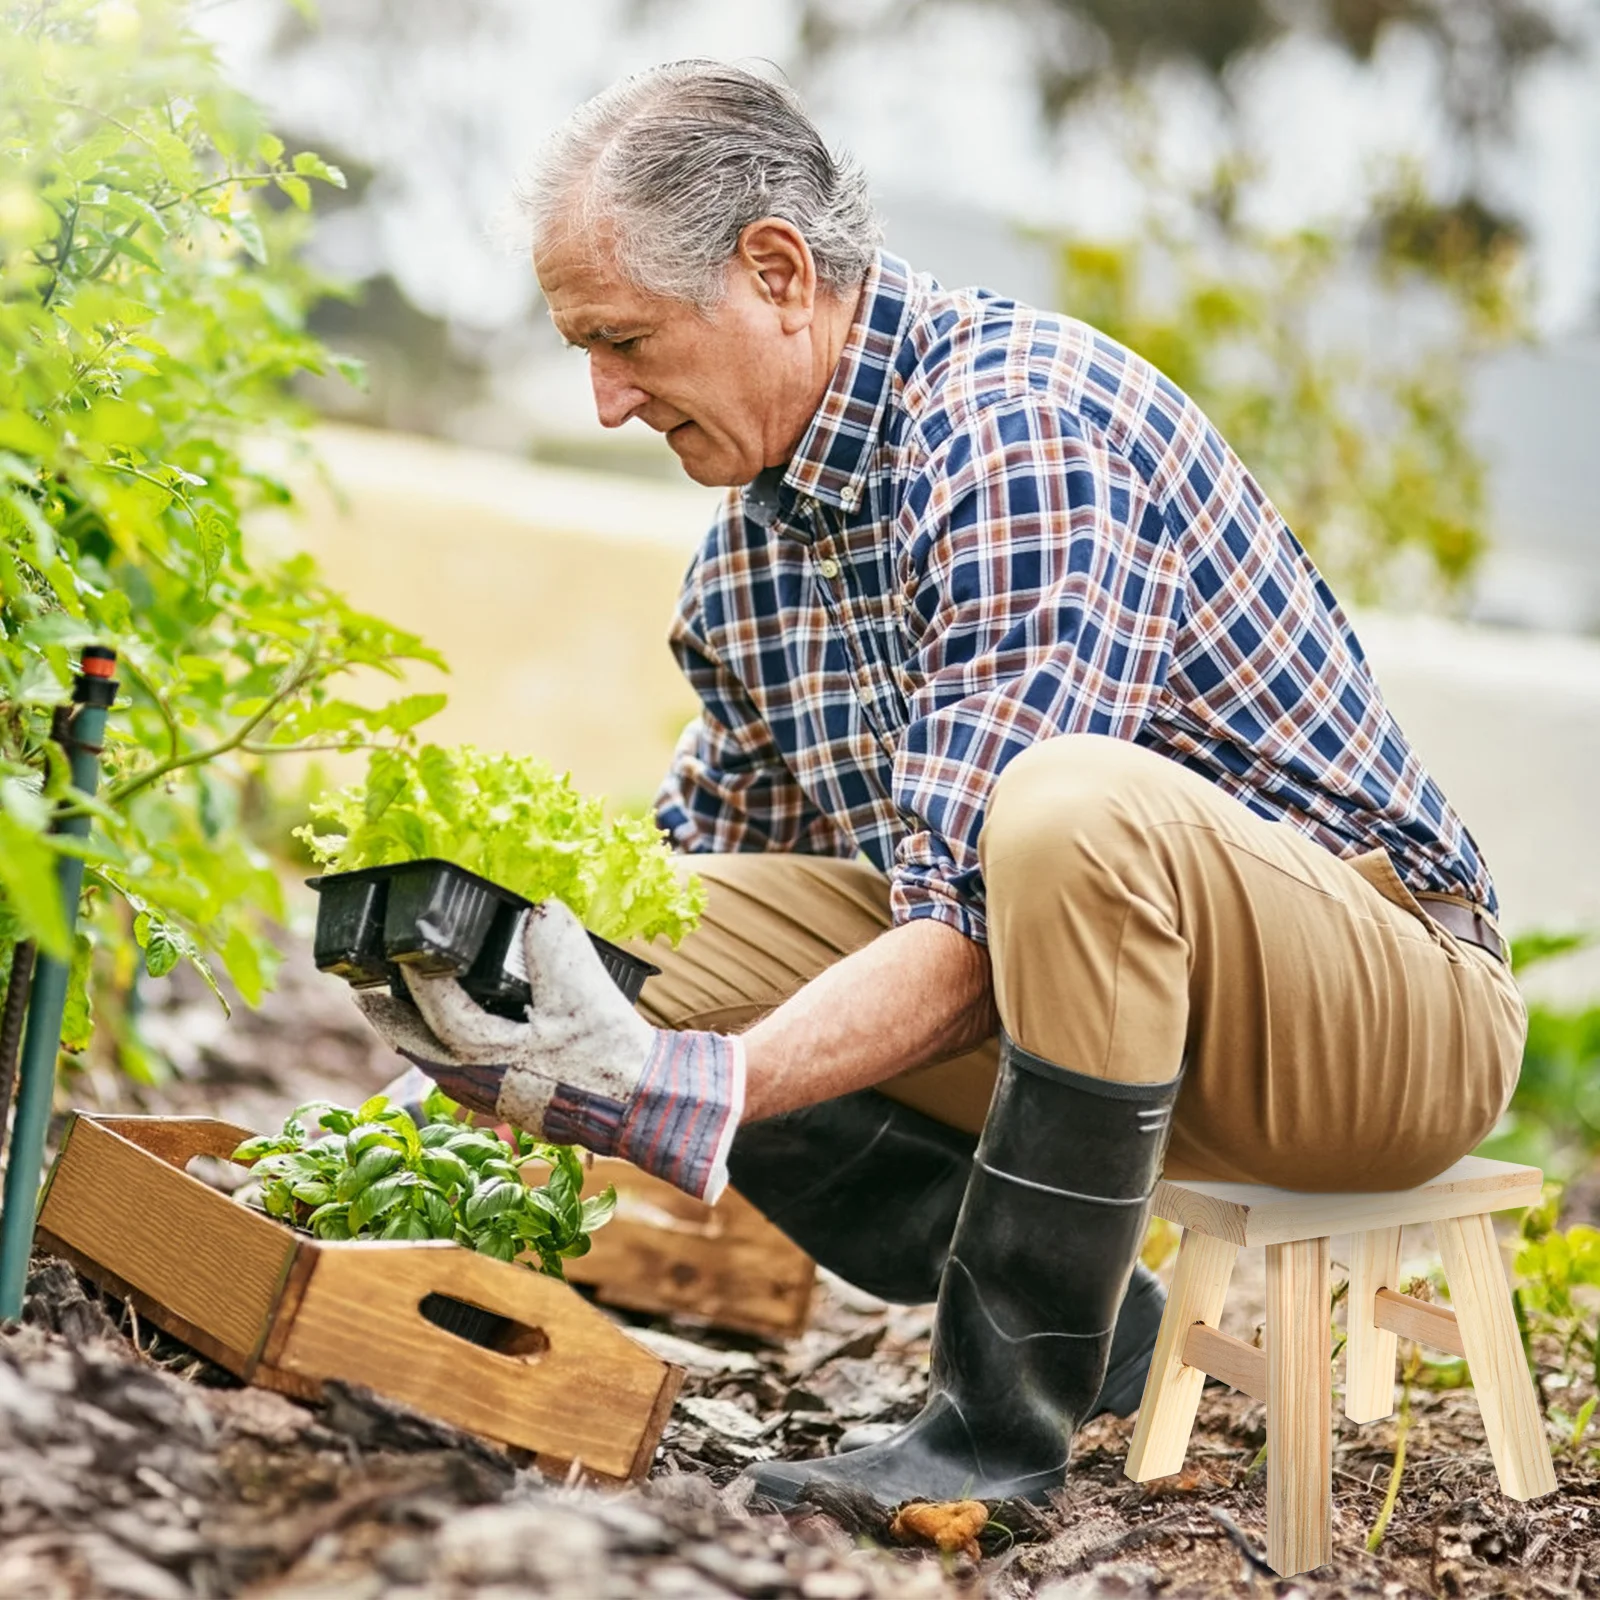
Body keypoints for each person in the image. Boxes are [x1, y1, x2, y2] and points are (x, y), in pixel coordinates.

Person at [358, 60, 1527, 1509]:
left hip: (1373, 1026)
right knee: (617, 914)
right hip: (1094, 1027)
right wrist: (441, 1060)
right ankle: (1095, 1338)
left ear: (777, 273)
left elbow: (986, 915)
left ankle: (996, 1432)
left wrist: (697, 1088)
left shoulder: (1016, 429)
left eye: (625, 341)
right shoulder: (750, 555)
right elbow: (694, 912)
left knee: (1066, 809)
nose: (603, 401)